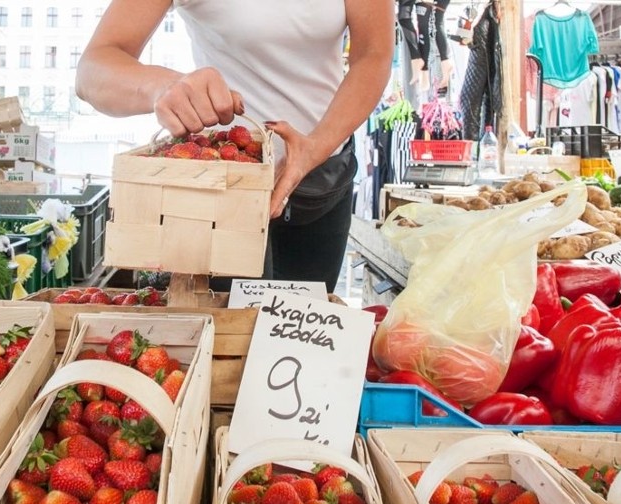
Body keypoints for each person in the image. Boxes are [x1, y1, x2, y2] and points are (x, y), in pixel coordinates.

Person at [76, 0, 395, 294]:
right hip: (222, 189)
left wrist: (316, 147)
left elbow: (373, 53)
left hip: (322, 175)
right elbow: (92, 71)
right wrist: (162, 87)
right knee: (222, 336)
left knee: (304, 336)